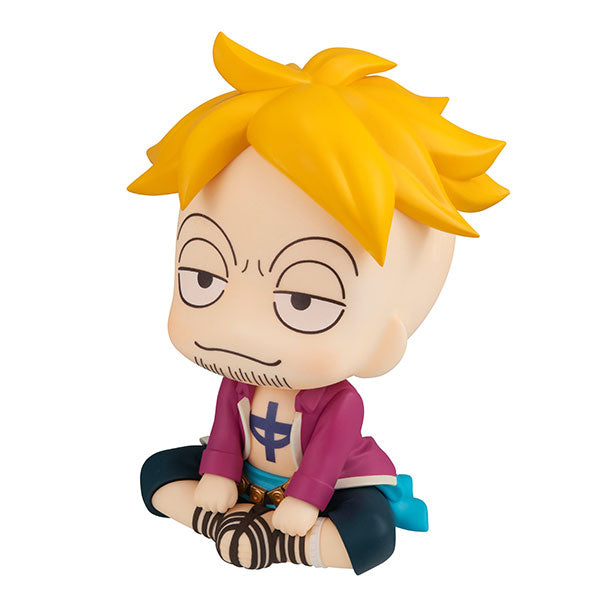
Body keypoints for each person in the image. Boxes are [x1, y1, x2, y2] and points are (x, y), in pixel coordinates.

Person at [129, 32, 508, 574]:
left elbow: (328, 457)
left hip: (326, 489)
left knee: (372, 534)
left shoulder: (341, 402)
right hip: (246, 478)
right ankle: (235, 529)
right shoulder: (237, 381)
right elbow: (226, 432)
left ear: (388, 334)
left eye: (304, 299)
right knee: (156, 471)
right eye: (204, 277)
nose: (239, 330)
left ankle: (270, 542)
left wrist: (306, 500)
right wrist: (218, 473)